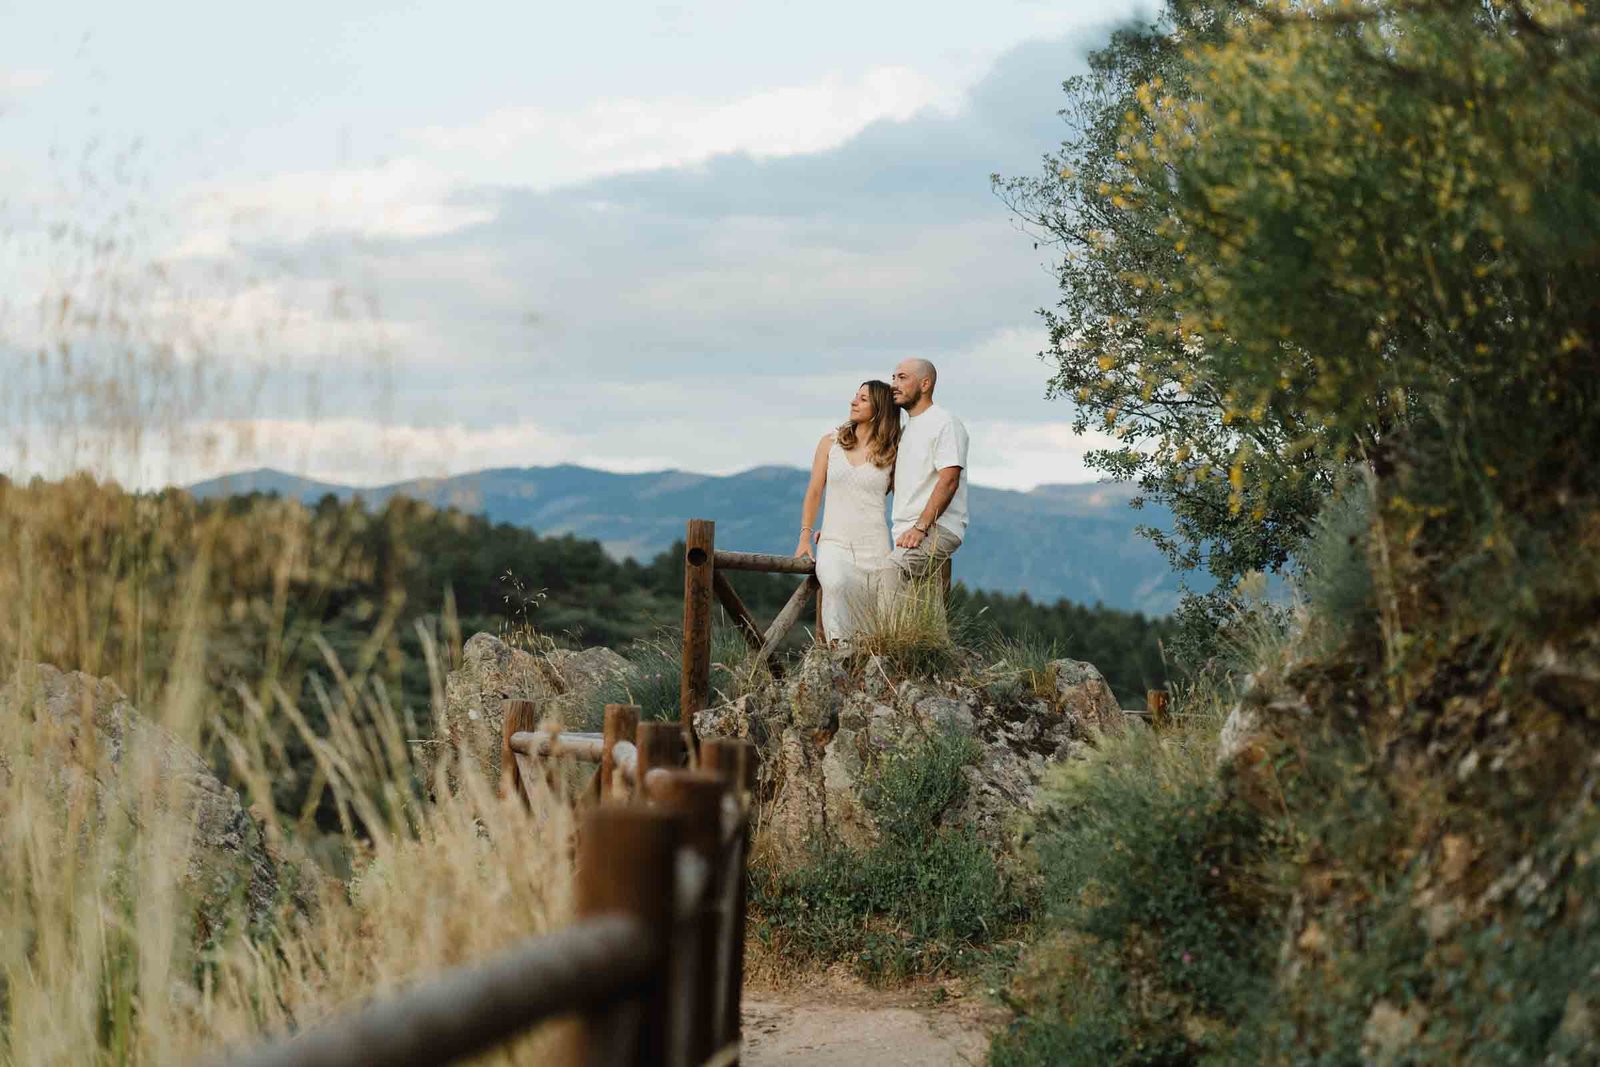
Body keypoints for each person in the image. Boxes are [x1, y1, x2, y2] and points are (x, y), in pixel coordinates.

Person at [794, 380, 902, 642]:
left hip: (874, 546)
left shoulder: (893, 451)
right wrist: (805, 536)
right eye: (856, 396)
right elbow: (815, 491)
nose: (854, 402)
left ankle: (863, 662)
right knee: (836, 583)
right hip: (834, 541)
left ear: (880, 408)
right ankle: (838, 654)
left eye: (863, 399)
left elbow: (902, 497)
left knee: (871, 616)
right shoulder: (830, 443)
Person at [887, 358, 968, 582]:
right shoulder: (905, 430)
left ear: (925, 384)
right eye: (893, 378)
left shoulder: (945, 423)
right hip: (906, 531)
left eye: (902, 378)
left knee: (890, 570)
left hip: (936, 528)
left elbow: (949, 480)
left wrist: (920, 528)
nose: (894, 385)